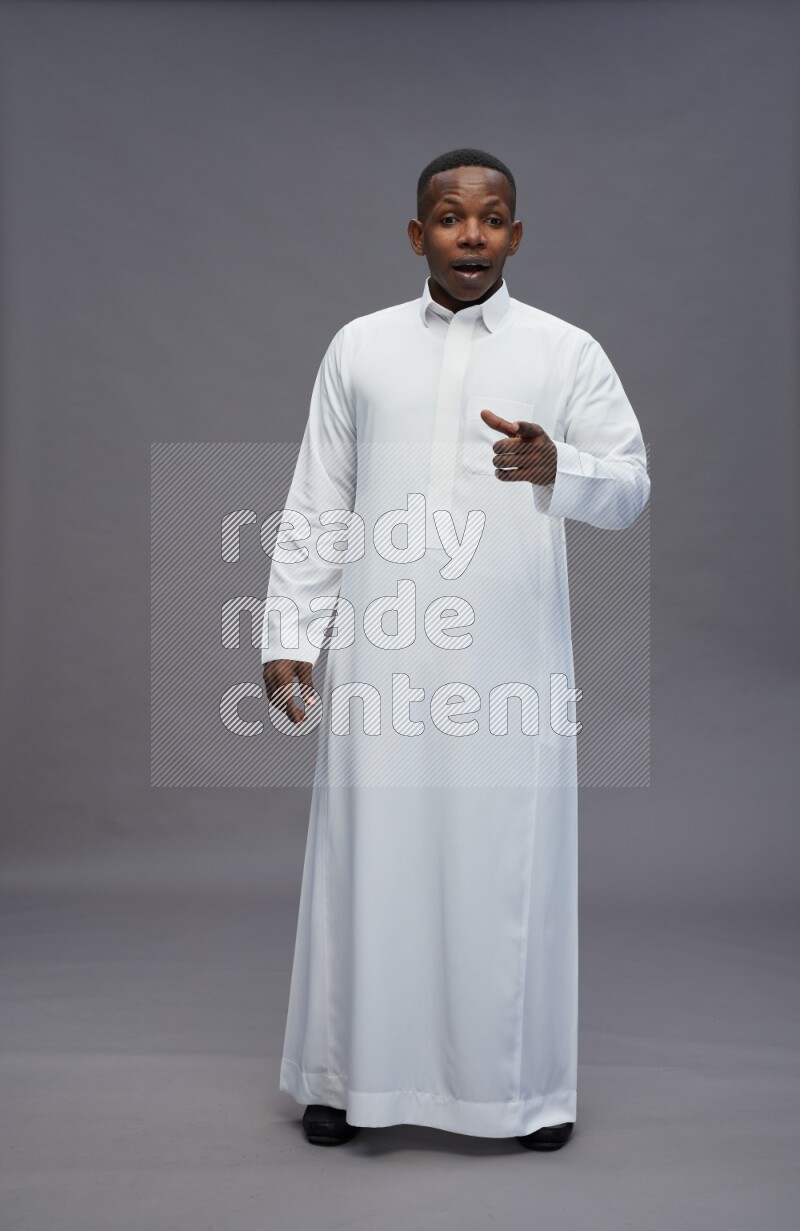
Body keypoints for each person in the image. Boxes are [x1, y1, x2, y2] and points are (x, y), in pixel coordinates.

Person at [261, 148, 650, 1150]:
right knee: (368, 860)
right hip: (385, 658)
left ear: (515, 236)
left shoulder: (565, 352)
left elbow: (628, 485)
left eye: (489, 218)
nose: (468, 233)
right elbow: (319, 500)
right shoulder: (358, 347)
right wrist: (289, 635)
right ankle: (343, 1079)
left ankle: (519, 1091)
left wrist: (556, 464)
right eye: (447, 215)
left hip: (507, 664)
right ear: (416, 235)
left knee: (500, 868)